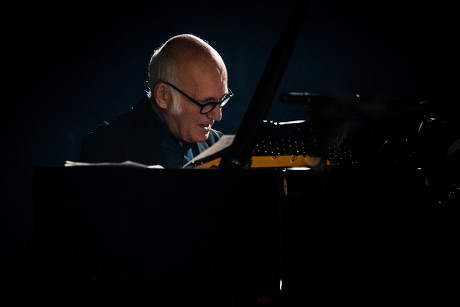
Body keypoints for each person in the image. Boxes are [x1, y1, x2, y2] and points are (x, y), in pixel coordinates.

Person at [79, 34, 233, 168]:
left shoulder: (219, 147)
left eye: (221, 100)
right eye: (207, 103)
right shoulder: (106, 148)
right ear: (163, 96)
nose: (218, 115)